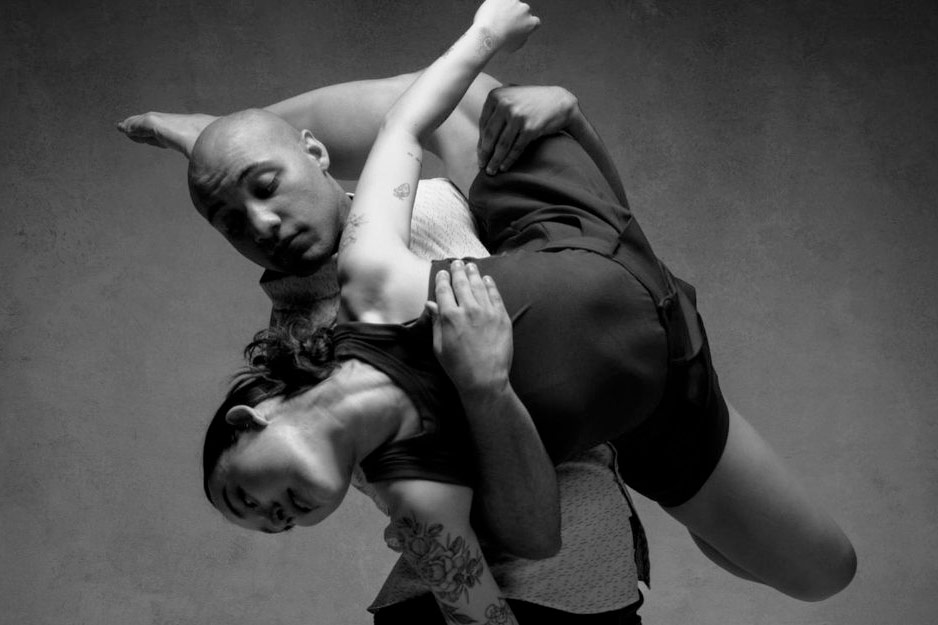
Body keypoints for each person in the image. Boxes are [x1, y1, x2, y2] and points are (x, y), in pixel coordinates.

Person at [198, 1, 856, 622]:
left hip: (593, 242)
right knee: (825, 572)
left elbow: (403, 120)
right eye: (271, 525)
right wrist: (485, 388)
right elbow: (530, 546)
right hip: (650, 394)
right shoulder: (413, 489)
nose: (270, 519)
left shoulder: (369, 279)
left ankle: (205, 133)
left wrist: (503, 46)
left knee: (490, 105)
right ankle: (711, 521)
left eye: (242, 496)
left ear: (248, 419)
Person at [119, 33, 648, 625]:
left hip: (583, 565)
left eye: (266, 187)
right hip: (465, 585)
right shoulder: (315, 356)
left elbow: (607, 243)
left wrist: (568, 117)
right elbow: (499, 546)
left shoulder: (420, 216)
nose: (273, 521)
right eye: (230, 222)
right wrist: (484, 389)